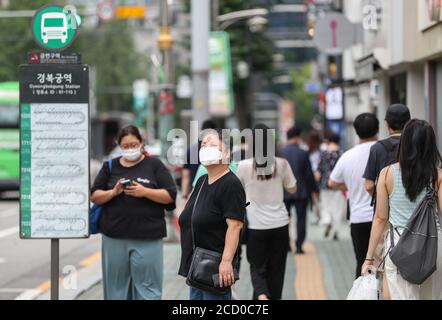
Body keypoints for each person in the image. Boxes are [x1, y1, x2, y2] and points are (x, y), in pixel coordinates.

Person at [91, 125, 177, 300]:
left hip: (148, 237)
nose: (130, 149)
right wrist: (113, 192)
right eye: (125, 146)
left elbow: (169, 196)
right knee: (116, 289)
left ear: (141, 143)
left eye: (134, 144)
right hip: (114, 236)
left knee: (148, 289)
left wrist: (145, 192)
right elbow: (95, 196)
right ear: (119, 146)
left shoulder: (154, 165)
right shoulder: (110, 166)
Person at [362, 119, 442, 300]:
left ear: (404, 143)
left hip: (399, 247)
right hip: (433, 244)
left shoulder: (387, 173)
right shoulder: (437, 175)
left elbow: (380, 218)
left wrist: (369, 257)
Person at [178, 130, 246, 300]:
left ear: (227, 153)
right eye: (203, 145)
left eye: (213, 145)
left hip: (215, 267)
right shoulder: (202, 181)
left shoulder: (230, 184)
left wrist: (226, 262)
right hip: (196, 267)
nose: (206, 147)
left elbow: (235, 226)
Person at [237, 124, 297, 300]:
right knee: (276, 271)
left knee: (257, 268)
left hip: (256, 227)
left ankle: (262, 295)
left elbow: (237, 191)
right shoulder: (282, 164)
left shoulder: (243, 166)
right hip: (280, 225)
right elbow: (292, 188)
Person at [328, 113, 379, 278]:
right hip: (384, 215)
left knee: (362, 262)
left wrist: (350, 185)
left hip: (358, 218)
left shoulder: (347, 156)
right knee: (385, 264)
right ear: (378, 129)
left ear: (356, 132)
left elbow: (332, 183)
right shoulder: (386, 151)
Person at [281, 127, 319, 254]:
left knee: (284, 218)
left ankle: (286, 244)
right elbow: (309, 175)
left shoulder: (280, 152)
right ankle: (299, 246)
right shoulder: (303, 153)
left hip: (284, 191)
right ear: (297, 137)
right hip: (301, 191)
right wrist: (314, 189)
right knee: (301, 219)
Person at [363, 104, 410, 196]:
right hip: (417, 207)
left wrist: (382, 198)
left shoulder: (377, 148)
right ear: (409, 122)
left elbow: (369, 185)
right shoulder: (418, 144)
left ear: (386, 123)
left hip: (387, 207)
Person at [316, 131, 345, 240]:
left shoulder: (323, 153)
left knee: (326, 205)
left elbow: (318, 171)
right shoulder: (342, 153)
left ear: (329, 141)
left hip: (325, 184)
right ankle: (336, 231)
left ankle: (327, 220)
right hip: (338, 185)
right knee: (337, 208)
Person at [181, 119, 217, 199]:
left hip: (194, 193)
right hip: (214, 193)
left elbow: (185, 176)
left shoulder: (191, 150)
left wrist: (184, 195)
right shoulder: (218, 150)